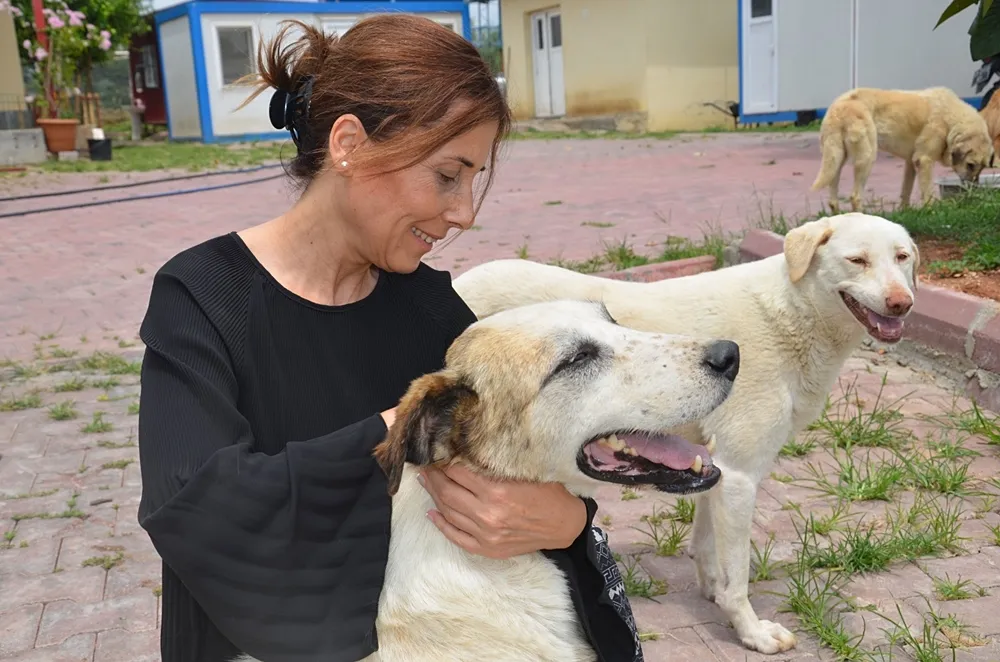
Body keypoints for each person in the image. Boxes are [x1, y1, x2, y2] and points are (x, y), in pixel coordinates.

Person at [136, 13, 643, 662]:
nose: (462, 213)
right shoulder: (204, 296)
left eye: (473, 180)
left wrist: (569, 523)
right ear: (349, 143)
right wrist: (401, 425)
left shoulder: (430, 311)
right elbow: (194, 506)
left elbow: (520, 451)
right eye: (447, 174)